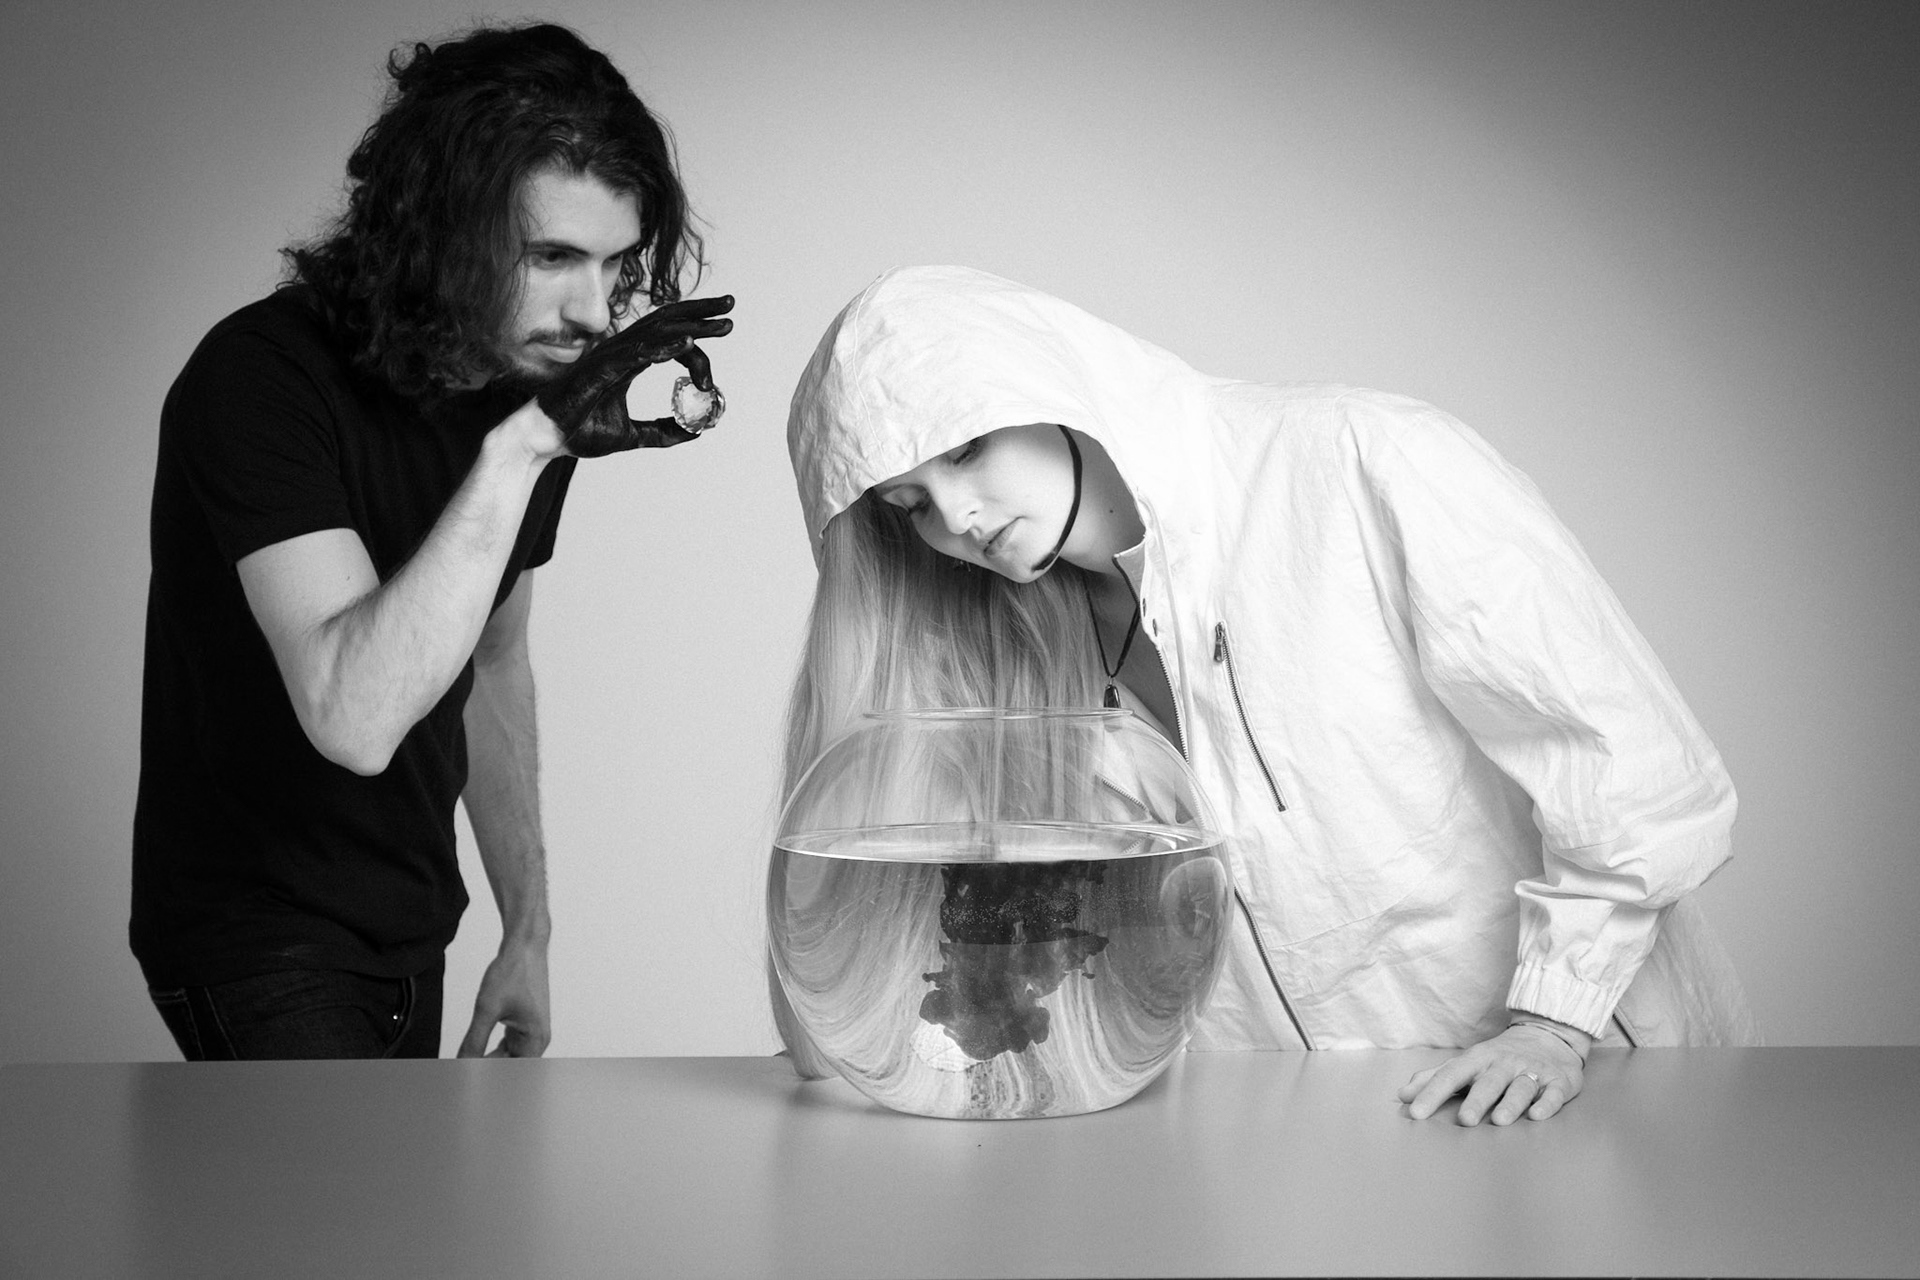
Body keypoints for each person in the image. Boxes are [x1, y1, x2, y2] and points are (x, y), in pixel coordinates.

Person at [774, 265, 1753, 1125]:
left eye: (964, 451)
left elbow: (1628, 763)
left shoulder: (1362, 462)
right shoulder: (1027, 642)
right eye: (911, 504)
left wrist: (1552, 1024)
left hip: (1566, 1090)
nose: (956, 516)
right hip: (1299, 1143)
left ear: (1052, 383)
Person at [132, 22, 734, 1060]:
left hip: (411, 925)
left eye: (614, 263)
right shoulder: (259, 380)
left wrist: (529, 928)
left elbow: (493, 662)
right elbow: (353, 715)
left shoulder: (517, 392)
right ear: (442, 226)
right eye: (552, 256)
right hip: (256, 936)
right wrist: (526, 447)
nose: (594, 311)